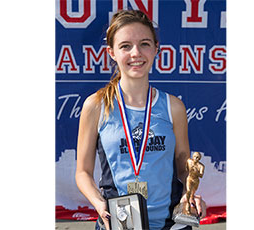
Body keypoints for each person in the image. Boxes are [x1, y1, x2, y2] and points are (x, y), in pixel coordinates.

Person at [75, 10, 206, 230]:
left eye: (144, 44)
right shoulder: (96, 106)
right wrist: (99, 204)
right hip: (119, 222)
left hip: (170, 224)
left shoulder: (173, 107)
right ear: (112, 52)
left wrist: (189, 194)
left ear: (156, 49)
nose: (136, 53)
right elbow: (83, 173)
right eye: (125, 46)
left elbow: (184, 169)